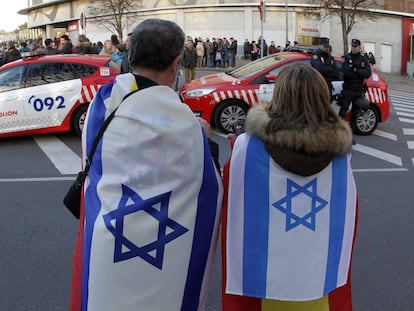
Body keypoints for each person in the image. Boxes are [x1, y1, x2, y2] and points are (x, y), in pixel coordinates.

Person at [69, 18, 223, 311]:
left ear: (131, 56)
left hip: (110, 242)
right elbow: (207, 187)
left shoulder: (101, 108)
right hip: (164, 257)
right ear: (176, 63)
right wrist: (206, 142)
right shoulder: (186, 127)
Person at [221, 63, 357, 311]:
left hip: (264, 287)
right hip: (318, 281)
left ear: (278, 96)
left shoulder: (247, 147)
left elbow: (231, 195)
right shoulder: (340, 156)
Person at [338, 38, 371, 120]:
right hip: (348, 89)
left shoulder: (363, 59)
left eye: (355, 46)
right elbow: (346, 73)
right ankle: (340, 131)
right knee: (342, 112)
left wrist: (356, 70)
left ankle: (352, 131)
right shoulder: (346, 57)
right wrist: (359, 74)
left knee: (355, 114)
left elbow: (368, 73)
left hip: (358, 91)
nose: (353, 48)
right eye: (352, 46)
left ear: (359, 47)